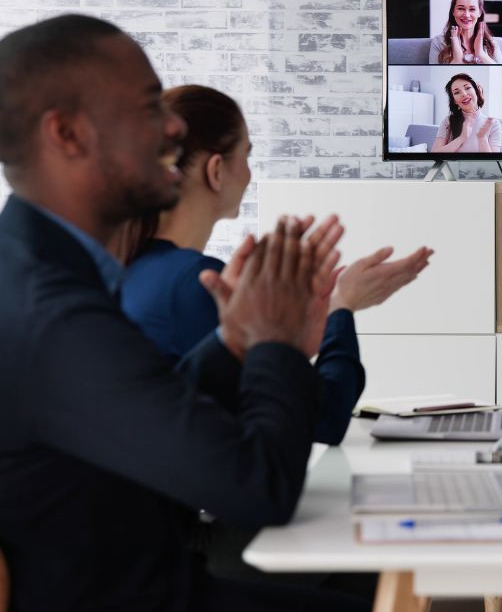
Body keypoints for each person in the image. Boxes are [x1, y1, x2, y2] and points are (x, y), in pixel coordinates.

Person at [0, 14, 367, 611]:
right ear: (66, 134)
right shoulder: (54, 314)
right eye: (148, 107)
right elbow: (259, 489)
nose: (173, 125)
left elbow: (142, 410)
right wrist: (276, 342)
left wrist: (236, 340)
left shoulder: (40, 269)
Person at [121, 85, 434, 446]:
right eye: (247, 156)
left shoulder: (132, 268)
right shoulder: (200, 283)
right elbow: (324, 417)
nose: (250, 175)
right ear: (217, 171)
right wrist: (342, 307)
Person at [430, 0, 502, 65]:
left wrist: (481, 54)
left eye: (472, 9)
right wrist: (457, 59)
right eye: (461, 8)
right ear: (453, 12)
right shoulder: (439, 42)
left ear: (479, 13)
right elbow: (435, 75)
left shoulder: (491, 43)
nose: (466, 15)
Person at [432, 73, 502, 152]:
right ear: (454, 101)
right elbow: (434, 154)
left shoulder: (494, 124)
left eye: (467, 88)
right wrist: (462, 137)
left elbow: (493, 163)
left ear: (476, 91)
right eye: (457, 92)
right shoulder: (448, 121)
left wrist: (482, 139)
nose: (464, 94)